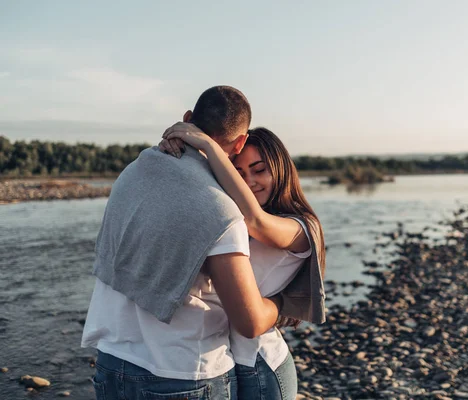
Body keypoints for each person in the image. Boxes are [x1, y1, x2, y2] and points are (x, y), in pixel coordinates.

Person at [81, 86, 284, 400]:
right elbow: (248, 321)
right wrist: (282, 304)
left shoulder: (131, 174)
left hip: (110, 362)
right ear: (240, 142)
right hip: (182, 373)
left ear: (188, 119)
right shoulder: (221, 209)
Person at [159, 124, 326, 400]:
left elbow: (256, 221)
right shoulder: (234, 223)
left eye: (259, 170)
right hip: (228, 360)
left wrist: (209, 147)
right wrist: (176, 152)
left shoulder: (303, 228)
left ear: (281, 170)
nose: (249, 182)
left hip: (261, 364)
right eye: (238, 173)